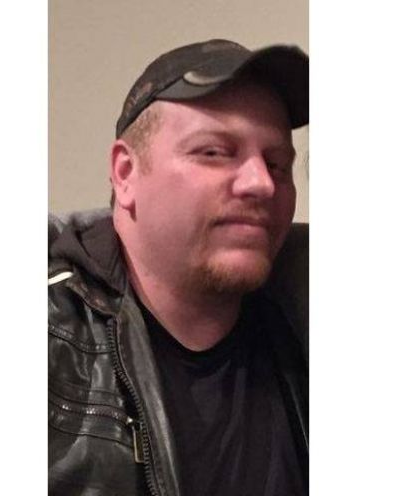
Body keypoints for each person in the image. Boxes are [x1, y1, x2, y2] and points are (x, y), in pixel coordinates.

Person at [49, 39, 309, 496]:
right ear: (126, 174)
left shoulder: (304, 314)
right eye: (214, 152)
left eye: (277, 164)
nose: (262, 184)